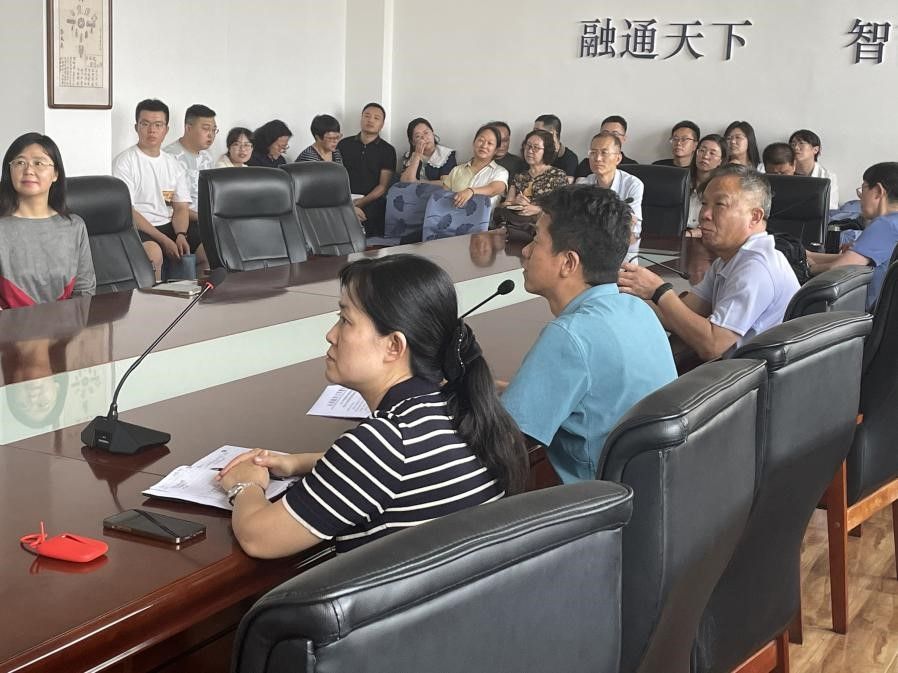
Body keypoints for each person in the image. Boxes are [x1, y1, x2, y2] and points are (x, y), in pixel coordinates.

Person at [215, 253, 528, 558]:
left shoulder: (385, 441)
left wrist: (245, 484)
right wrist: (298, 463)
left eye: (345, 320)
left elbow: (259, 537)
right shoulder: (461, 408)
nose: (331, 335)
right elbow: (401, 467)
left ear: (393, 346)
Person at [501, 185, 676, 483]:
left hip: (601, 501)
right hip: (655, 486)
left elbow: (504, 437)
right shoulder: (637, 308)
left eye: (536, 240)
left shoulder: (569, 336)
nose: (525, 251)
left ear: (568, 263)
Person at [619, 165, 799, 360]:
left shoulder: (757, 267)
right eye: (704, 203)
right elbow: (682, 314)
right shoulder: (729, 259)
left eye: (720, 204)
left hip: (745, 375)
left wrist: (660, 292)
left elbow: (713, 345)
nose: (704, 214)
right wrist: (626, 290)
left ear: (754, 216)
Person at [0, 132, 95, 309]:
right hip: (11, 325)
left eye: (39, 163)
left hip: (66, 323)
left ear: (55, 173)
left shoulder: (75, 226)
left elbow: (84, 291)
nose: (29, 170)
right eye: (20, 163)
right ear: (9, 170)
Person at [111, 99, 198, 279]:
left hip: (170, 224)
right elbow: (129, 211)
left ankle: (199, 293)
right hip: (140, 227)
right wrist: (164, 240)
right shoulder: (125, 162)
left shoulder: (173, 164)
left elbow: (181, 207)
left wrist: (181, 234)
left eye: (158, 125)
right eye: (145, 124)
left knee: (209, 245)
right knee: (154, 252)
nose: (152, 130)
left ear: (166, 129)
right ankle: (155, 296)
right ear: (136, 127)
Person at [806, 162, 898, 310]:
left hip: (865, 314)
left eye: (863, 189)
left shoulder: (885, 225)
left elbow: (839, 268)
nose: (860, 197)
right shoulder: (893, 223)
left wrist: (806, 268)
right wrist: (810, 256)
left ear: (878, 191)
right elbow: (851, 259)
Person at [575, 132, 643, 262]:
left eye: (604, 153)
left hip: (623, 253)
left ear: (618, 158)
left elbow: (631, 229)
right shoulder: (584, 184)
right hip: (589, 251)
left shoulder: (632, 184)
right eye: (593, 153)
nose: (597, 158)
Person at [338, 103, 397, 237]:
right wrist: (346, 202)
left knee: (363, 220)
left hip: (371, 200)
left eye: (376, 118)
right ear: (361, 118)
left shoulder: (387, 150)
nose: (370, 120)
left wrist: (360, 203)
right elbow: (336, 177)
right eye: (367, 116)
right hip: (344, 197)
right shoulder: (344, 144)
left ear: (382, 124)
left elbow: (382, 186)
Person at [164, 104, 217, 224]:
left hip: (209, 219)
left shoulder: (207, 156)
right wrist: (204, 219)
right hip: (183, 222)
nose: (211, 135)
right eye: (206, 129)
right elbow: (167, 202)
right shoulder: (169, 157)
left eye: (214, 130)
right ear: (188, 128)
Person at [499, 129, 567, 219]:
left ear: (547, 151)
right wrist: (514, 202)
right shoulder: (520, 176)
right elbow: (505, 204)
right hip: (518, 223)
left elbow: (564, 209)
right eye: (528, 146)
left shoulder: (558, 175)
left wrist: (538, 210)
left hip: (544, 224)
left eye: (536, 148)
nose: (530, 151)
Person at [440, 124, 509, 209]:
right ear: (474, 142)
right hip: (453, 216)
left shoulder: (500, 172)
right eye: (481, 140)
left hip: (485, 217)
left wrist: (471, 191)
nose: (484, 146)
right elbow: (443, 198)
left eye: (490, 143)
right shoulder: (456, 170)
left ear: (496, 150)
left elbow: (494, 189)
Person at [686, 134, 728, 231]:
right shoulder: (682, 181)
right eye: (702, 150)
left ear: (721, 161)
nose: (705, 156)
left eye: (712, 153)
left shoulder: (722, 188)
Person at [574, 114, 638, 178]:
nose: (609, 137)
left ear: (624, 138)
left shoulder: (633, 166)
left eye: (615, 134)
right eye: (605, 133)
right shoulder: (587, 164)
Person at [790, 129, 840, 210]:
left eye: (801, 143)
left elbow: (831, 208)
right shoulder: (782, 171)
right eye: (793, 144)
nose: (796, 147)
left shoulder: (828, 176)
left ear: (815, 149)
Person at [399, 117, 456, 184]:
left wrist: (417, 182)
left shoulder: (446, 154)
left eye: (426, 133)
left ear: (432, 133)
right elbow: (404, 181)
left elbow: (446, 184)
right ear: (413, 142)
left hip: (434, 190)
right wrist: (417, 155)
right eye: (418, 136)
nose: (424, 137)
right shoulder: (410, 156)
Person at [533, 114, 578, 182]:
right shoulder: (532, 152)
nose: (533, 135)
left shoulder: (569, 158)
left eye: (537, 131)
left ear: (552, 133)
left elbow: (567, 185)